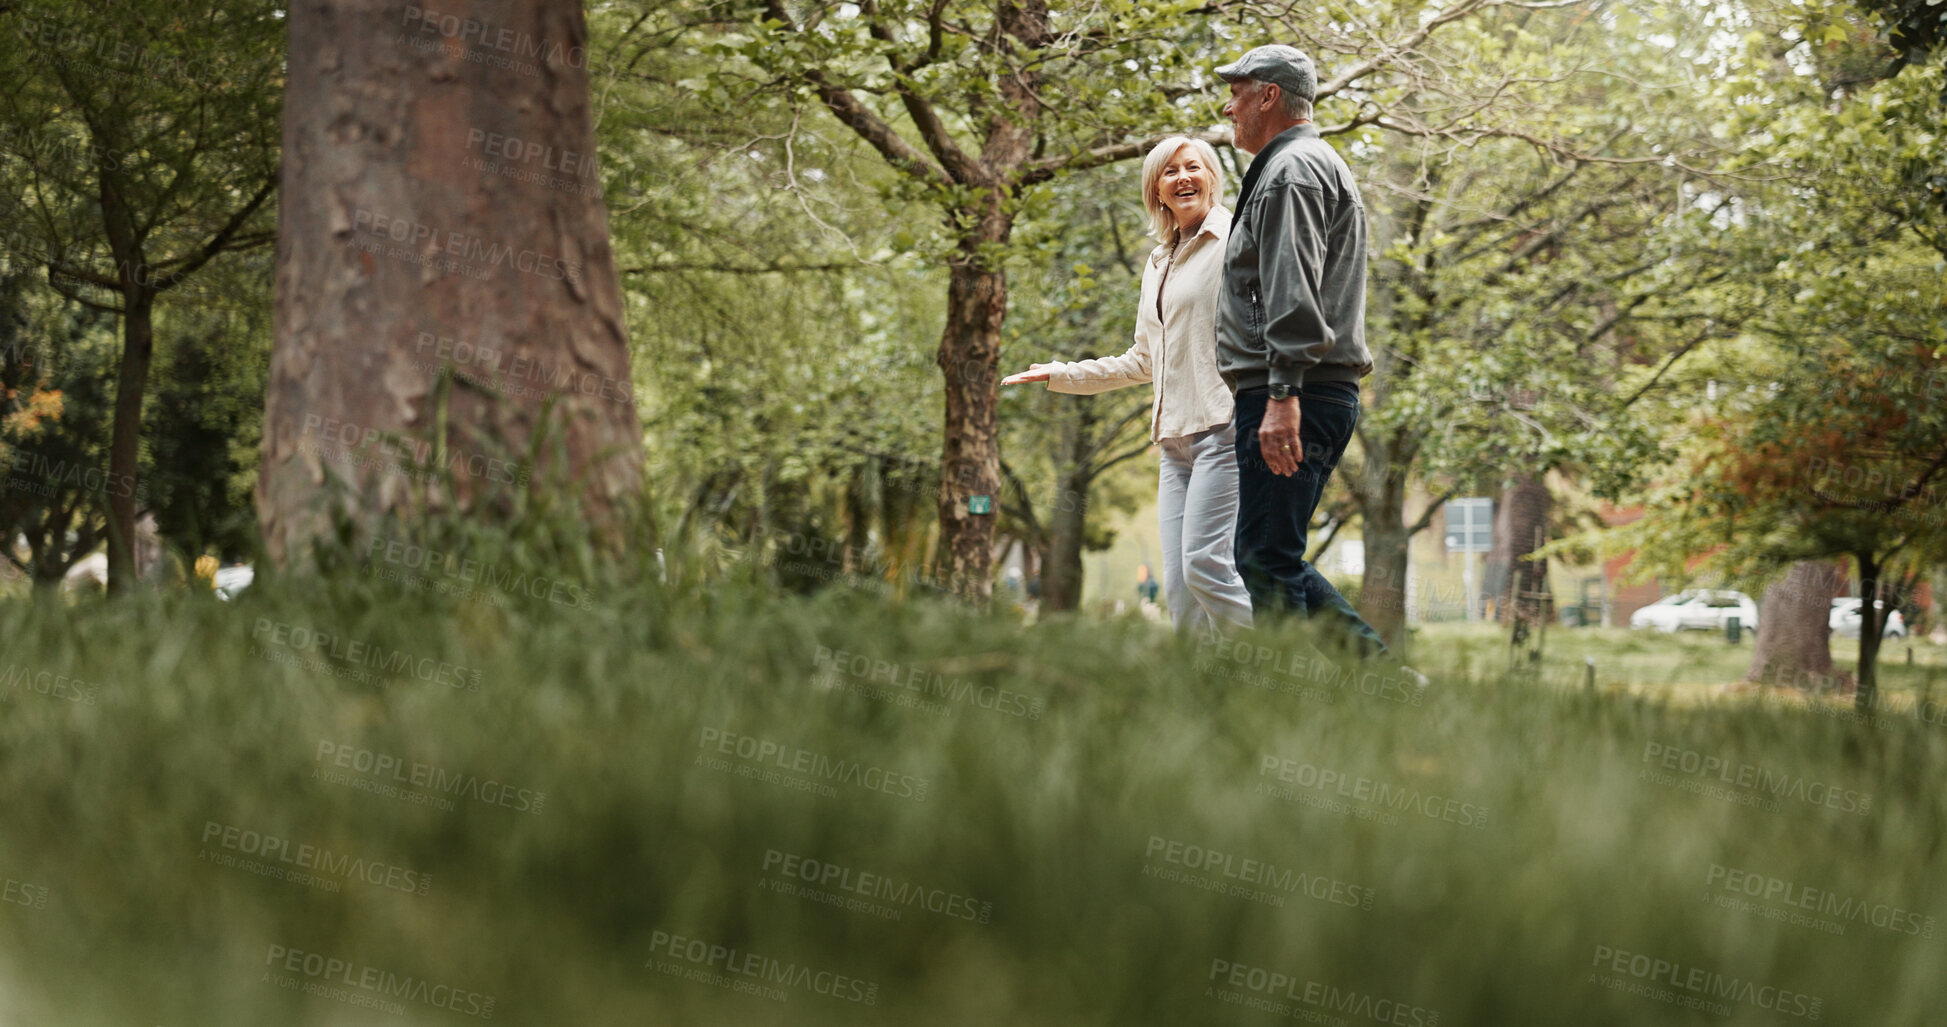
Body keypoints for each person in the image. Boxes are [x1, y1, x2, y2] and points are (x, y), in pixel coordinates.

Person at [1002, 136, 1254, 636]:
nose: (1182, 178)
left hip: (1222, 430)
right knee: (1181, 592)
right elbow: (1144, 359)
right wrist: (1061, 374)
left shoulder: (1234, 241)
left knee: (1208, 567)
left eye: (1192, 167)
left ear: (1211, 177)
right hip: (1174, 444)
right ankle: (1207, 701)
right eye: (1169, 172)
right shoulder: (1159, 261)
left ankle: (1281, 666)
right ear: (1156, 189)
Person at [1214, 45, 1387, 656]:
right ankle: (1382, 683)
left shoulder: (1293, 170)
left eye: (1237, 91)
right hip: (1297, 389)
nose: (1228, 104)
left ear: (1268, 96)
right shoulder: (1295, 166)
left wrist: (1282, 393)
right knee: (1267, 553)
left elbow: (1292, 289)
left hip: (1293, 392)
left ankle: (1314, 694)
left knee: (1265, 557)